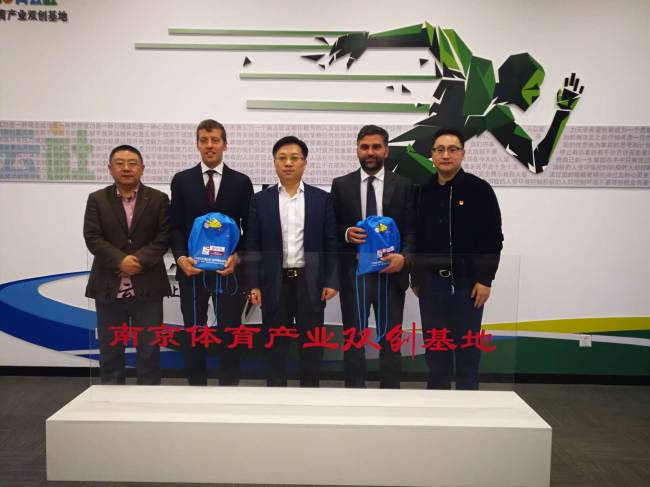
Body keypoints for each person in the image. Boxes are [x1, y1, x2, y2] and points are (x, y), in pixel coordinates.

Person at [326, 23, 584, 180]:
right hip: (403, 156)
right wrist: (369, 40)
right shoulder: (474, 71)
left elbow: (537, 161)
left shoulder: (498, 116)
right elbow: (432, 34)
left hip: (426, 173)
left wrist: (562, 112)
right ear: (518, 78)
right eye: (534, 85)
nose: (536, 94)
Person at [412, 127, 503, 390]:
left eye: (452, 149)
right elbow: (416, 238)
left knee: (467, 352)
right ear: (432, 155)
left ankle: (468, 405)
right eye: (440, 150)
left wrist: (485, 279)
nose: (446, 155)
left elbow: (493, 239)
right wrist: (416, 278)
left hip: (468, 286)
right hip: (432, 286)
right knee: (436, 351)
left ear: (463, 153)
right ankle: (438, 405)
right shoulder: (423, 191)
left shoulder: (479, 189)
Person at [247, 136, 338, 387]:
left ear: (304, 163)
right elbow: (252, 244)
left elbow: (331, 243)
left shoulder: (322, 199)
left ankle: (310, 393)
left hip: (310, 282)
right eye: (282, 158)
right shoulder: (260, 200)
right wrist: (253, 284)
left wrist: (331, 281)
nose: (288, 163)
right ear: (274, 162)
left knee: (311, 344)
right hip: (274, 282)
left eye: (295, 158)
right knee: (275, 345)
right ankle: (276, 395)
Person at [330, 125, 415, 389]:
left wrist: (404, 258)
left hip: (391, 274)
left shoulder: (404, 185)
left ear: (386, 151)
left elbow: (412, 229)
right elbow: (330, 227)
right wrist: (346, 233)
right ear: (357, 150)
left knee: (391, 339)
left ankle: (390, 394)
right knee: (354, 337)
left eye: (376, 147)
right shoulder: (341, 185)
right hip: (355, 274)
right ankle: (354, 392)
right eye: (364, 147)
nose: (370, 152)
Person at [170, 119, 253, 386]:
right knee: (194, 331)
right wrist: (180, 258)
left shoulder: (241, 182)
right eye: (204, 140)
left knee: (229, 332)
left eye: (215, 140)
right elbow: (175, 226)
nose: (209, 145)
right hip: (192, 271)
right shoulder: (182, 180)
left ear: (225, 145)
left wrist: (237, 257)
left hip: (228, 272)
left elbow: (249, 229)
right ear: (197, 144)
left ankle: (229, 387)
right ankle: (196, 387)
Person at [83, 144, 171, 384]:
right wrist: (120, 261)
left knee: (149, 351)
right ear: (110, 169)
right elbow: (92, 237)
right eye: (119, 163)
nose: (126, 168)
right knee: (110, 351)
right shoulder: (97, 199)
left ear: (142, 168)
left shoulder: (159, 199)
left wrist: (139, 261)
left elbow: (164, 237)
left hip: (148, 288)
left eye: (132, 163)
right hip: (108, 288)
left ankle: (148, 399)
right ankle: (112, 400)